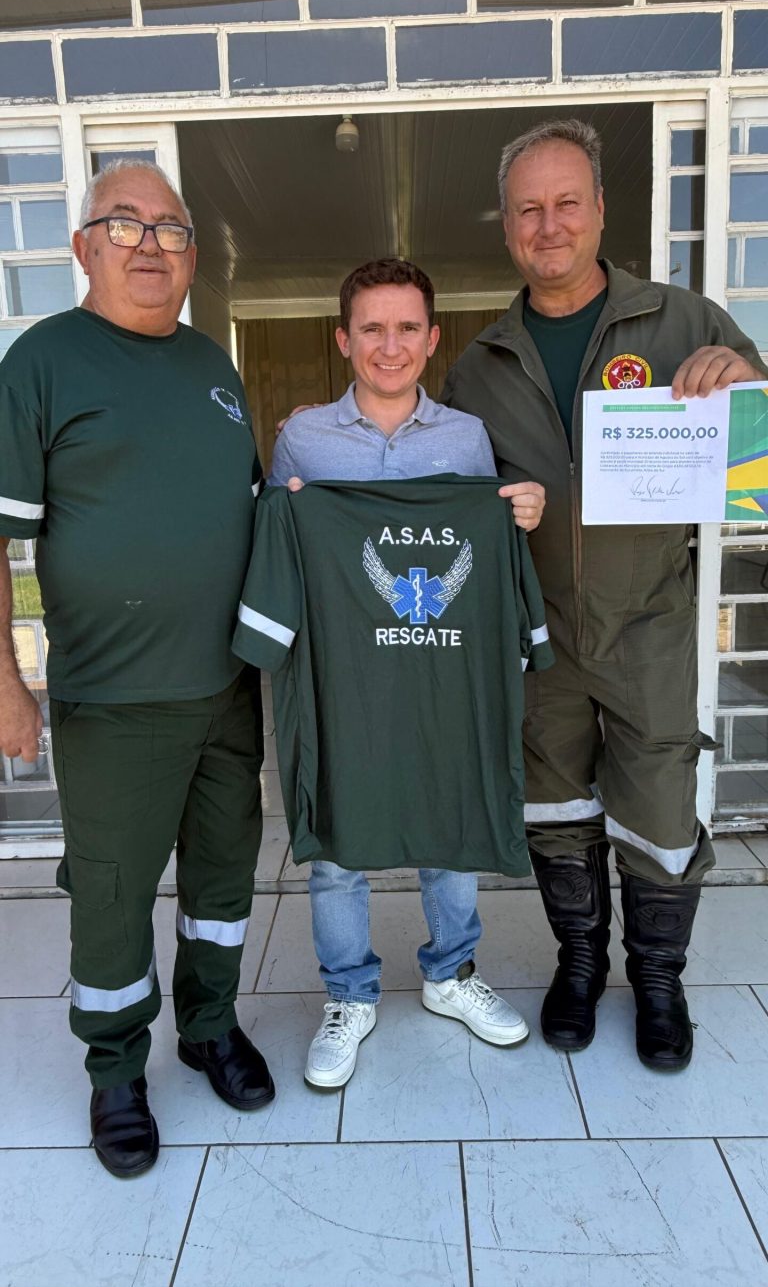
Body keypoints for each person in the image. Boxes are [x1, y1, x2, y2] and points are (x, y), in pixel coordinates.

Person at [443, 119, 768, 1072]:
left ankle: (658, 980)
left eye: (565, 203)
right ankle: (579, 964)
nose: (548, 226)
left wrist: (748, 382)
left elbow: (757, 447)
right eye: (528, 209)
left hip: (650, 625)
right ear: (507, 224)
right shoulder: (479, 363)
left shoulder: (682, 320)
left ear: (599, 209)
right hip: (536, 635)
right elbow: (444, 497)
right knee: (555, 808)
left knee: (661, 809)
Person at [0, 160, 274, 1179]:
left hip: (228, 690)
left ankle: (209, 1026)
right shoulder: (42, 362)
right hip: (113, 701)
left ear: (194, 256)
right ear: (85, 247)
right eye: (125, 224)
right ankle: (116, 1070)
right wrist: (7, 683)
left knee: (222, 877)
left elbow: (257, 515)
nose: (151, 244)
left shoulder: (214, 367)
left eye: (171, 228)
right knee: (113, 896)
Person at [255, 257, 546, 1091]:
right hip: (344, 681)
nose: (391, 345)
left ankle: (451, 973)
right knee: (337, 836)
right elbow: (276, 549)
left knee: (446, 815)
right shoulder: (303, 439)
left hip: (440, 674)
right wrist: (284, 505)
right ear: (343, 340)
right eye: (373, 328)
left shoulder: (466, 439)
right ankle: (349, 994)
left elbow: (485, 549)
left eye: (408, 327)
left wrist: (520, 512)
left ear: (433, 337)